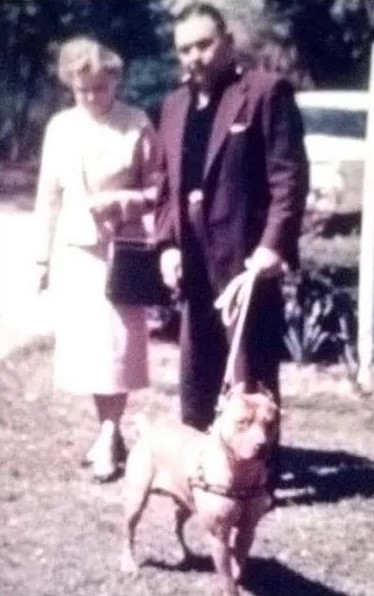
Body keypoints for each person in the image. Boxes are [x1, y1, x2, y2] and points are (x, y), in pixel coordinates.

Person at [155, 2, 309, 491]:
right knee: (196, 364)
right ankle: (203, 469)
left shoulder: (264, 93)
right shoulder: (175, 104)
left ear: (226, 42)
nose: (195, 57)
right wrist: (167, 246)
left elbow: (289, 179)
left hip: (247, 258)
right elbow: (165, 184)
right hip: (193, 257)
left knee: (250, 368)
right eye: (185, 49)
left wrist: (273, 246)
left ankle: (258, 476)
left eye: (203, 44)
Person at [34, 36, 157, 482]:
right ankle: (109, 429)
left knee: (118, 349)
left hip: (121, 253)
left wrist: (126, 200)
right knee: (90, 353)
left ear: (114, 81)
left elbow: (160, 189)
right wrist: (41, 260)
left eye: (99, 88)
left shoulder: (137, 123)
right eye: (81, 89)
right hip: (75, 253)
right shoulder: (60, 128)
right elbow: (48, 196)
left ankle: (109, 434)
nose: (90, 97)